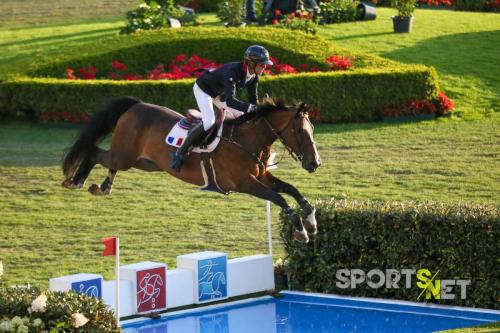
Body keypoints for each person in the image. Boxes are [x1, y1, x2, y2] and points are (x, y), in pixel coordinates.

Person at [170, 45, 273, 172]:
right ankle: (179, 153)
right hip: (204, 90)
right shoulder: (233, 71)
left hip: (219, 94)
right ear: (251, 63)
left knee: (241, 116)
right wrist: (253, 108)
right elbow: (231, 101)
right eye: (262, 64)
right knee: (209, 122)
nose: (265, 67)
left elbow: (253, 99)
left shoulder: (254, 76)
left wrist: (259, 110)